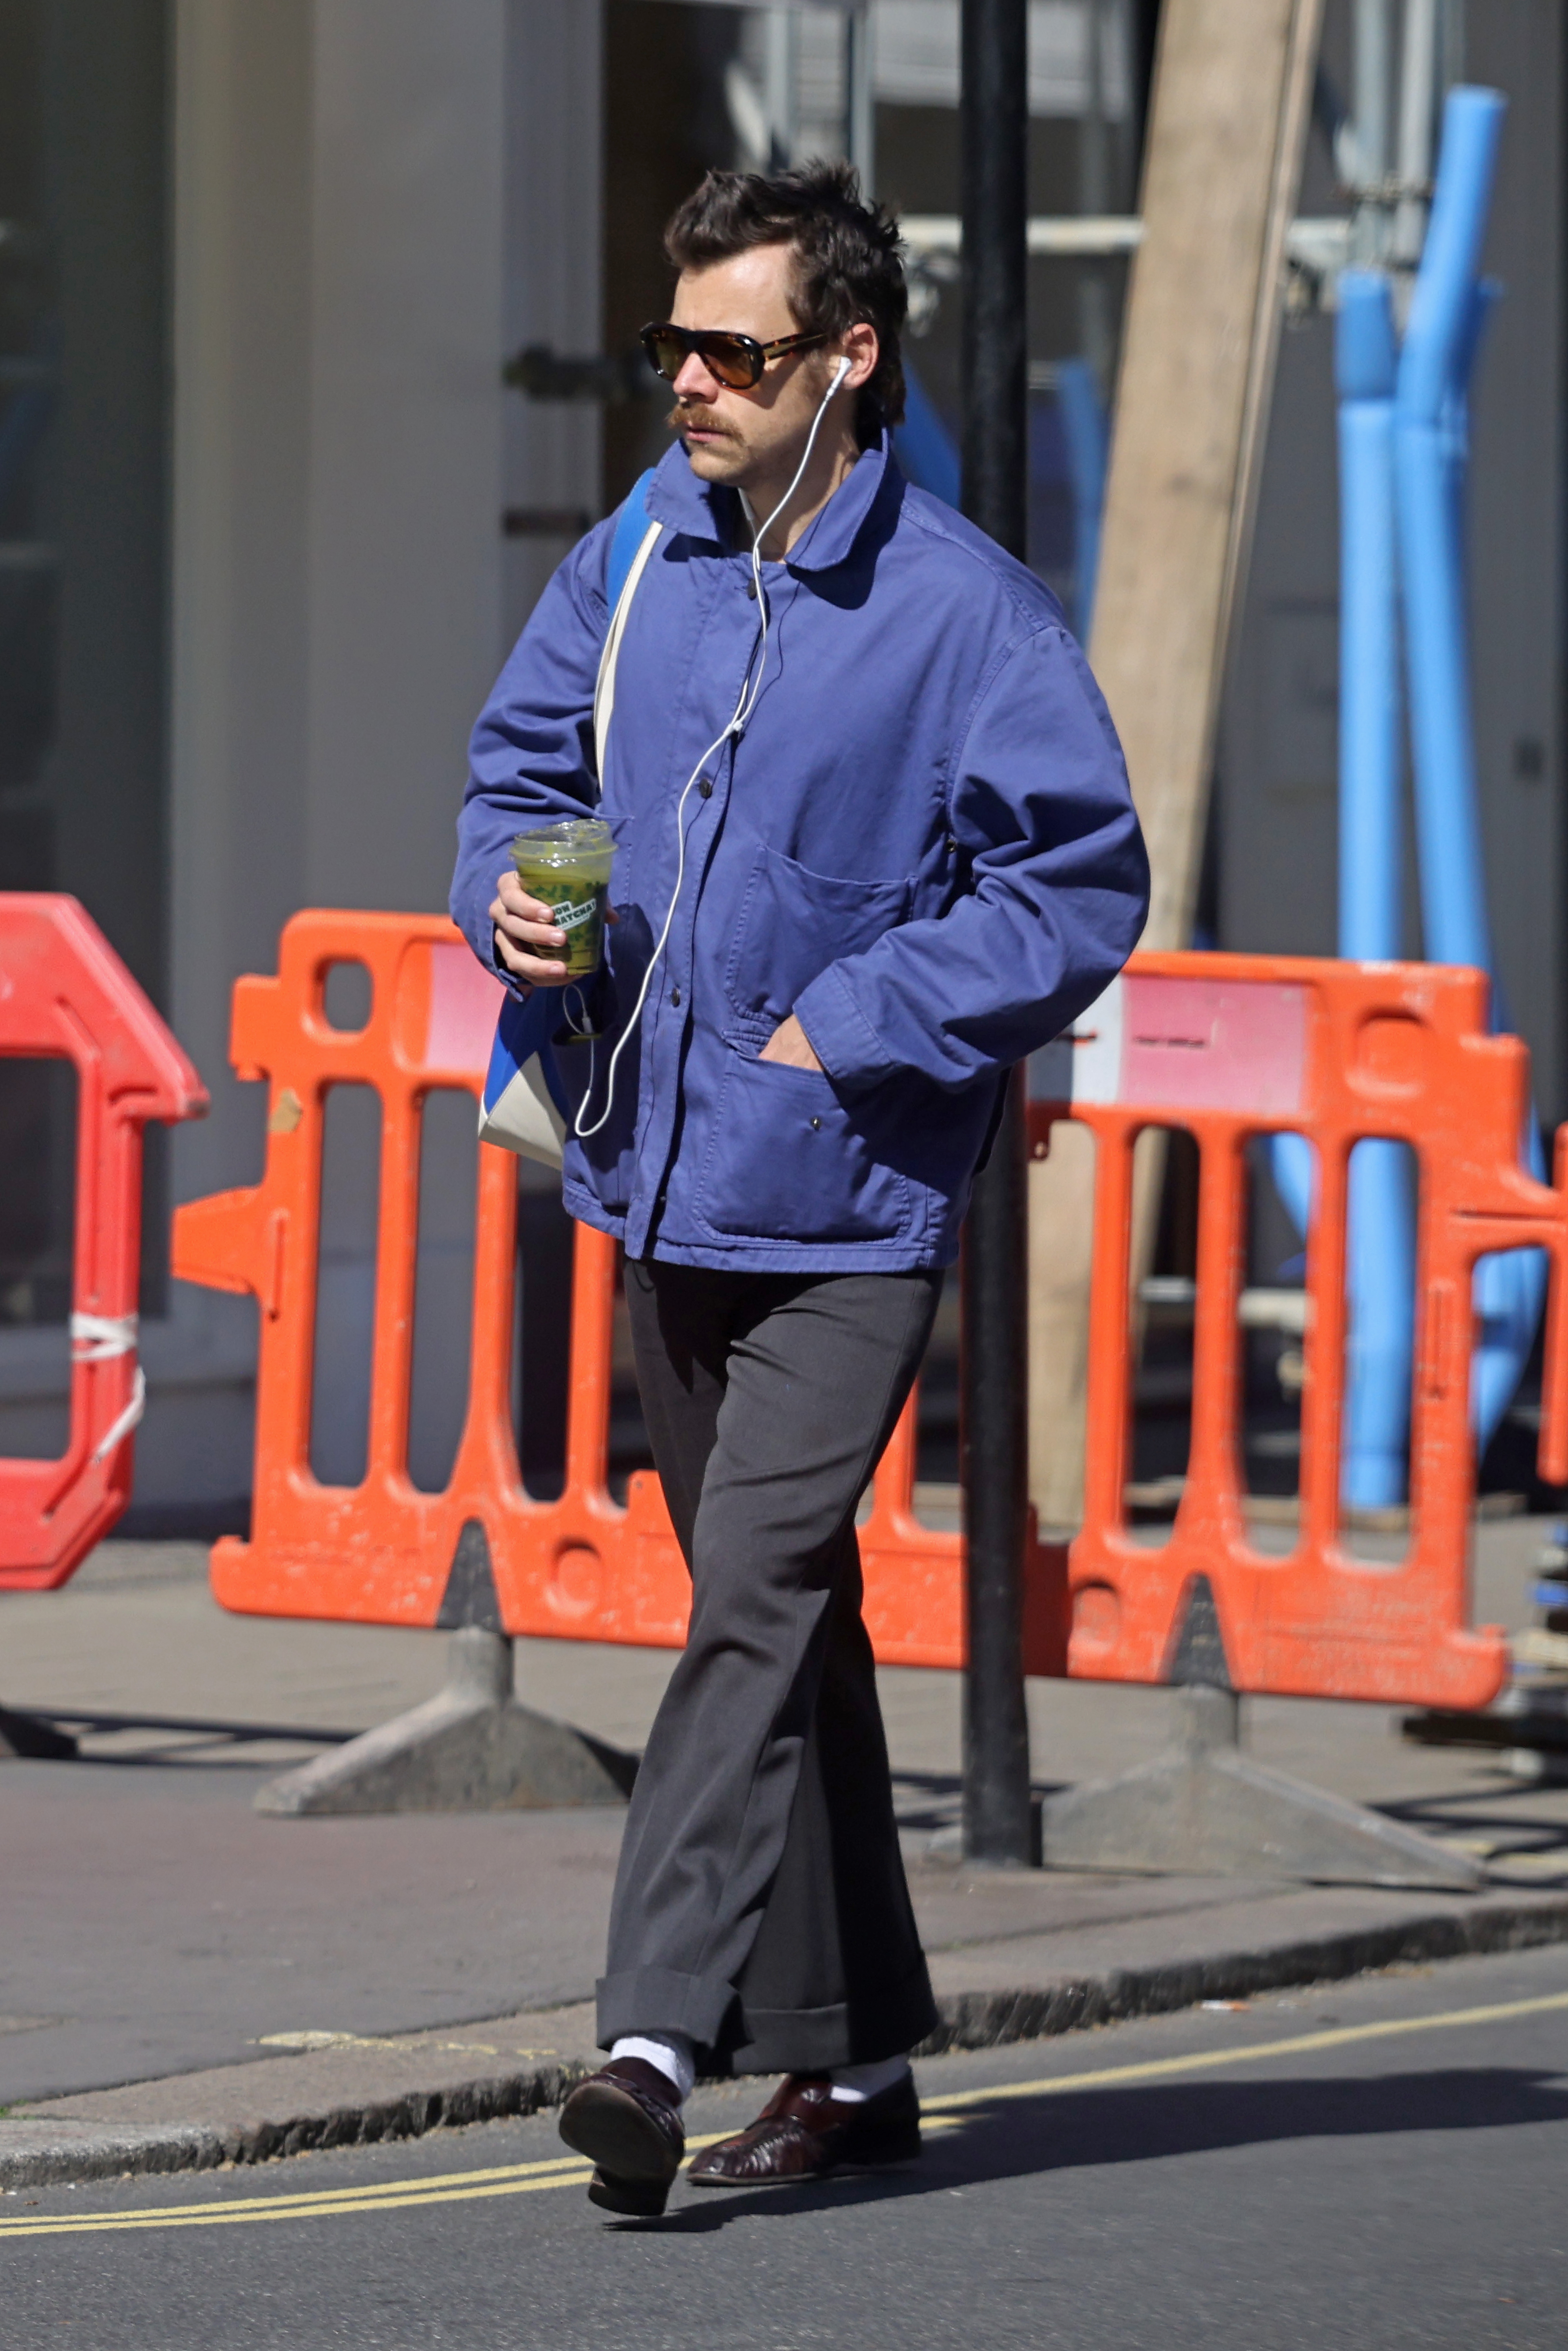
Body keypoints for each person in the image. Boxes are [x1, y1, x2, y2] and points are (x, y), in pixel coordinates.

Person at [451, 160, 1148, 2218]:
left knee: (749, 1593)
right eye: (672, 342)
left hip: (844, 1193)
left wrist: (852, 1023)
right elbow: (516, 771)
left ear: (847, 364)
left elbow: (1076, 881)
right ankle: (853, 2062)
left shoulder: (965, 613)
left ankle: (654, 2033)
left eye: (730, 350)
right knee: (792, 1614)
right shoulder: (634, 559)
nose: (686, 381)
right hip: (644, 1171)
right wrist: (510, 894)